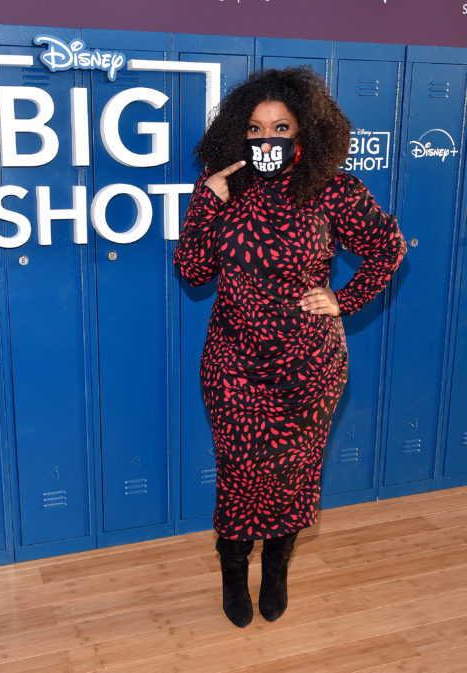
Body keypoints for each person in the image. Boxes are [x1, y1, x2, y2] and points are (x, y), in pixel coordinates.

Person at [173, 67, 407, 628]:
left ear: (304, 129)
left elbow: (388, 247)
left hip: (309, 366)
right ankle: (233, 569)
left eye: (280, 127)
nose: (267, 138)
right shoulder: (224, 187)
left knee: (293, 473)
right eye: (255, 128)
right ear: (238, 132)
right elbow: (193, 271)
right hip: (233, 362)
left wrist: (345, 299)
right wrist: (206, 203)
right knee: (239, 473)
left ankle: (276, 569)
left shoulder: (334, 189)